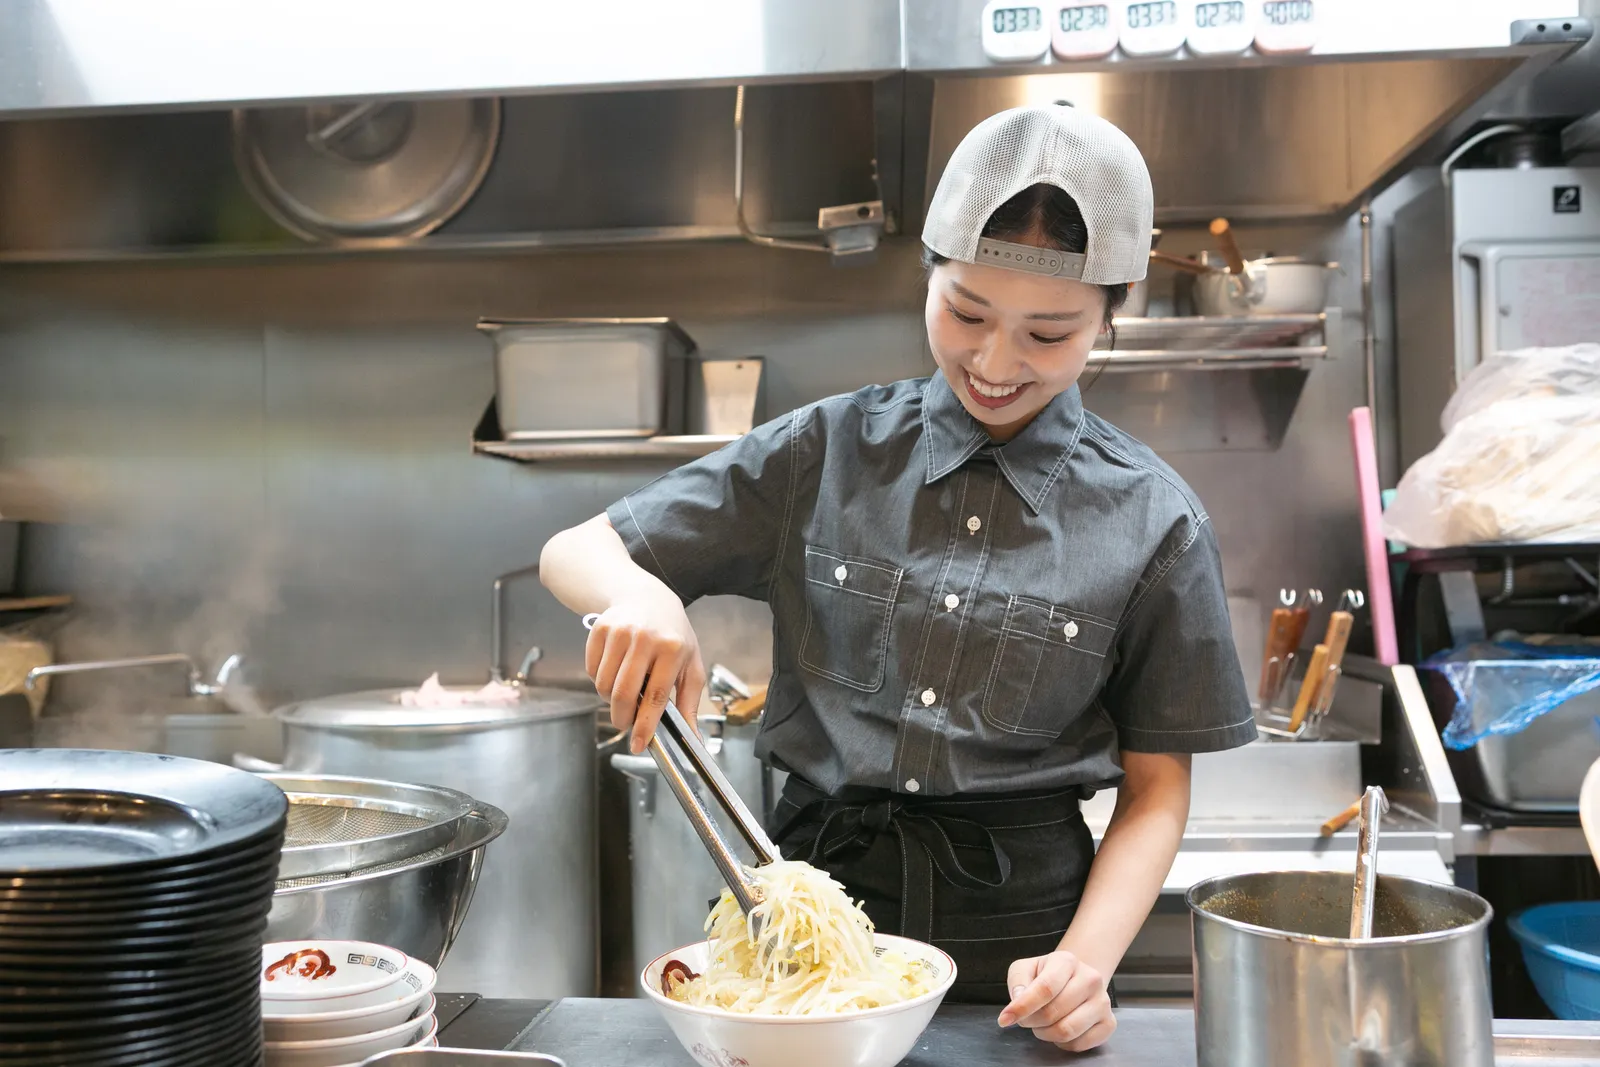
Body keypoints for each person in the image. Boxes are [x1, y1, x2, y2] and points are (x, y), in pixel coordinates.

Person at [540, 104, 1255, 1052]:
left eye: (1048, 334)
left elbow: (1158, 789)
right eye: (966, 313)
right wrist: (642, 593)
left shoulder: (1155, 519)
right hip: (804, 915)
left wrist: (1083, 964)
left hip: (1024, 942)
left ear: (1110, 315)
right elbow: (575, 550)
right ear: (929, 273)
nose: (994, 362)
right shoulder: (825, 451)